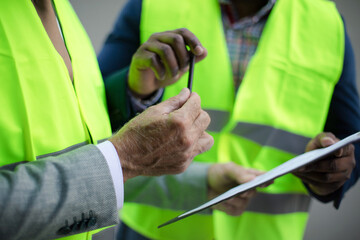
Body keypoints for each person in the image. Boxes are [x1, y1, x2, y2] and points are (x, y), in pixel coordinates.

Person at [97, 0, 360, 239]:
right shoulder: (151, 5)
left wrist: (334, 172)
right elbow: (91, 110)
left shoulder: (326, 24)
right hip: (152, 232)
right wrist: (137, 90)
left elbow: (351, 139)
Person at [0, 0, 218, 239]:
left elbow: (81, 136)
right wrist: (126, 157)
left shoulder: (61, 8)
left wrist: (135, 93)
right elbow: (112, 161)